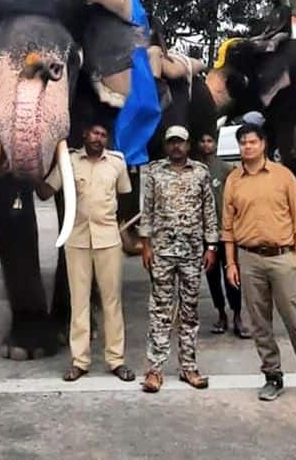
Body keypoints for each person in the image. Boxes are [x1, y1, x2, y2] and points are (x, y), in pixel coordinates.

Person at [223, 123, 296, 404]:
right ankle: (272, 376)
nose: (247, 147)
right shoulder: (234, 180)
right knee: (260, 324)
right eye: (243, 143)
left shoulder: (283, 176)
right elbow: (227, 227)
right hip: (249, 259)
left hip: (282, 257)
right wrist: (231, 263)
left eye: (252, 142)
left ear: (263, 144)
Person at [37, 122, 135, 383]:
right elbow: (46, 192)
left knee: (111, 302)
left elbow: (125, 195)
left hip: (108, 241)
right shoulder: (68, 161)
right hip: (77, 240)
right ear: (84, 134)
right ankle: (80, 362)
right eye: (94, 132)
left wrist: (122, 229)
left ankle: (116, 360)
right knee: (79, 303)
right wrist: (32, 171)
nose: (98, 138)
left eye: (103, 134)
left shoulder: (117, 163)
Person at [137, 126, 219, 393]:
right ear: (166, 145)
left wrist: (212, 246)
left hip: (193, 252)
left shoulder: (200, 172)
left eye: (180, 142)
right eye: (171, 142)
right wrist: (145, 244)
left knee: (189, 311)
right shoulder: (154, 172)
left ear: (188, 145)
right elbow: (146, 210)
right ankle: (155, 370)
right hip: (161, 252)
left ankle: (188, 366)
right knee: (160, 310)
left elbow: (210, 210)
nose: (176, 147)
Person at [195, 132, 250, 338]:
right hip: (204, 235)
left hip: (226, 233)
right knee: (212, 276)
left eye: (210, 141)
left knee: (232, 276)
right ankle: (221, 313)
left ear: (216, 144)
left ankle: (237, 315)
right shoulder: (194, 169)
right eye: (203, 140)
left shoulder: (226, 170)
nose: (206, 144)